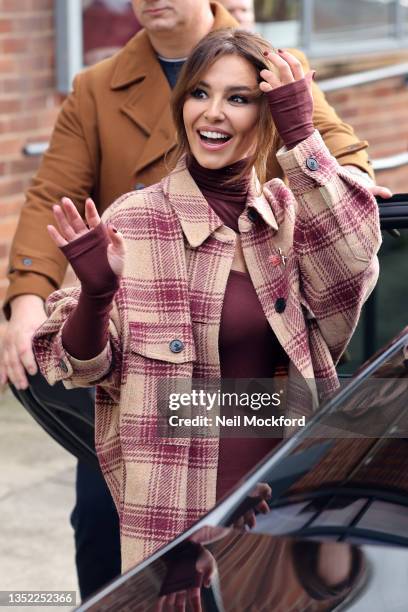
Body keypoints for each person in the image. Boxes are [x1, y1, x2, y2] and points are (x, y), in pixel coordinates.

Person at [0, 0, 389, 599]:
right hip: (168, 508)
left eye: (238, 98)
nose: (213, 112)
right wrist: (89, 293)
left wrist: (314, 152)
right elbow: (79, 363)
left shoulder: (286, 216)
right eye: (199, 94)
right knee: (98, 540)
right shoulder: (131, 209)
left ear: (267, 111)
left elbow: (352, 256)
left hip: (282, 511)